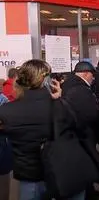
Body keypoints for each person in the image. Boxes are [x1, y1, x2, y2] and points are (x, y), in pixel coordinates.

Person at [0, 60, 86, 200]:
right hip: (63, 173)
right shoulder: (61, 106)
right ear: (47, 81)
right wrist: (60, 98)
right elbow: (79, 128)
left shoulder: (6, 111)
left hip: (29, 177)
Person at [62, 62, 99, 200]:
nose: (94, 78)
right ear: (86, 73)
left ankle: (90, 190)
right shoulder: (80, 89)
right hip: (84, 133)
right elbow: (91, 114)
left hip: (76, 133)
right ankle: (87, 193)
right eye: (93, 75)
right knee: (87, 162)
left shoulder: (69, 85)